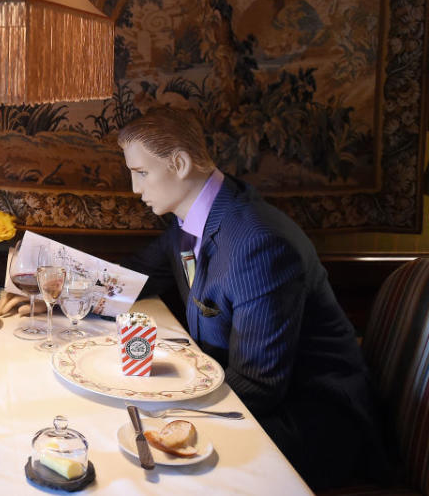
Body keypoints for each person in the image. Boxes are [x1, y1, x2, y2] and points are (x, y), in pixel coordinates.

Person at [118, 106, 386, 490]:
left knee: (141, 458)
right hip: (254, 397)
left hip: (313, 423)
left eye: (141, 173)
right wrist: (52, 287)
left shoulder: (259, 242)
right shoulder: (192, 220)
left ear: (178, 163)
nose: (135, 189)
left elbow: (259, 386)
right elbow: (132, 278)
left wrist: (163, 410)